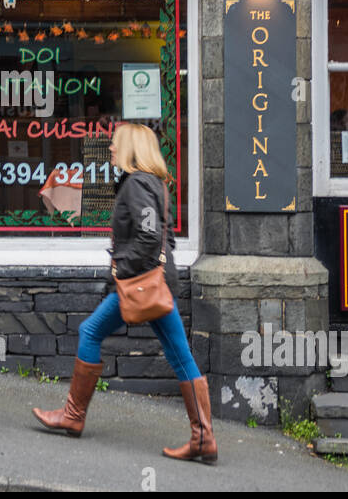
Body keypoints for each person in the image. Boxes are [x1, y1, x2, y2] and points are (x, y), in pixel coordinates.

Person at [32, 122, 216, 463]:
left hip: (140, 282)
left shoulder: (137, 184)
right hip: (155, 282)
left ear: (131, 147)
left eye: (116, 143)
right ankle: (203, 437)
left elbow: (149, 236)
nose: (111, 148)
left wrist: (121, 270)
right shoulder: (154, 183)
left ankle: (73, 416)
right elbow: (164, 237)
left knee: (90, 331)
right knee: (179, 354)